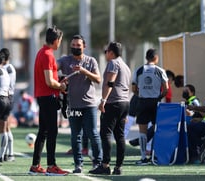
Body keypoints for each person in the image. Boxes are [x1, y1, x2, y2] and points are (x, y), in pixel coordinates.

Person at [57, 34, 102, 174]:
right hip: (73, 106)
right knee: (75, 135)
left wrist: (84, 71)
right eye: (73, 45)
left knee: (93, 133)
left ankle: (98, 162)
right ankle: (78, 164)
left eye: (78, 46)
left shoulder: (91, 61)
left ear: (84, 47)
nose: (75, 48)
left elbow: (98, 79)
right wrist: (59, 79)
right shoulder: (65, 60)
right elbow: (53, 67)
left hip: (89, 105)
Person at [28, 26, 69, 176]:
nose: (60, 43)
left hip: (43, 97)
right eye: (60, 40)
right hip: (48, 98)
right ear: (56, 40)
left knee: (43, 132)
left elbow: (49, 78)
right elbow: (49, 81)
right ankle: (51, 166)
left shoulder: (41, 52)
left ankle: (35, 165)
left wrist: (58, 82)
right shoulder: (47, 55)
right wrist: (62, 86)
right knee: (52, 132)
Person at [88, 42, 131, 175]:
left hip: (113, 102)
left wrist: (103, 100)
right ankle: (118, 167)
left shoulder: (113, 63)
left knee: (105, 133)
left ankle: (105, 165)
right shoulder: (125, 66)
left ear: (111, 52)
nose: (105, 53)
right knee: (120, 135)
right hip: (124, 102)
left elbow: (110, 83)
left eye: (106, 51)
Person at [132, 48, 168, 165]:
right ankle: (156, 155)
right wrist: (159, 97)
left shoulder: (139, 70)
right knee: (157, 129)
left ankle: (143, 157)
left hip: (142, 102)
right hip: (155, 102)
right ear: (156, 58)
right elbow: (166, 88)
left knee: (142, 131)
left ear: (146, 58)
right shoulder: (160, 70)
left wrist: (141, 95)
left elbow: (134, 88)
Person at [1, 47, 16, 162]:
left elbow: (8, 84)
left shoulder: (8, 68)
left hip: (7, 96)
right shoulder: (7, 68)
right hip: (7, 96)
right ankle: (8, 153)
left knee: (6, 126)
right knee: (5, 127)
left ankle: (10, 153)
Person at [187, 95, 205, 163]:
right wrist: (199, 119)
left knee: (192, 128)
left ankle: (196, 153)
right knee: (189, 126)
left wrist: (194, 107)